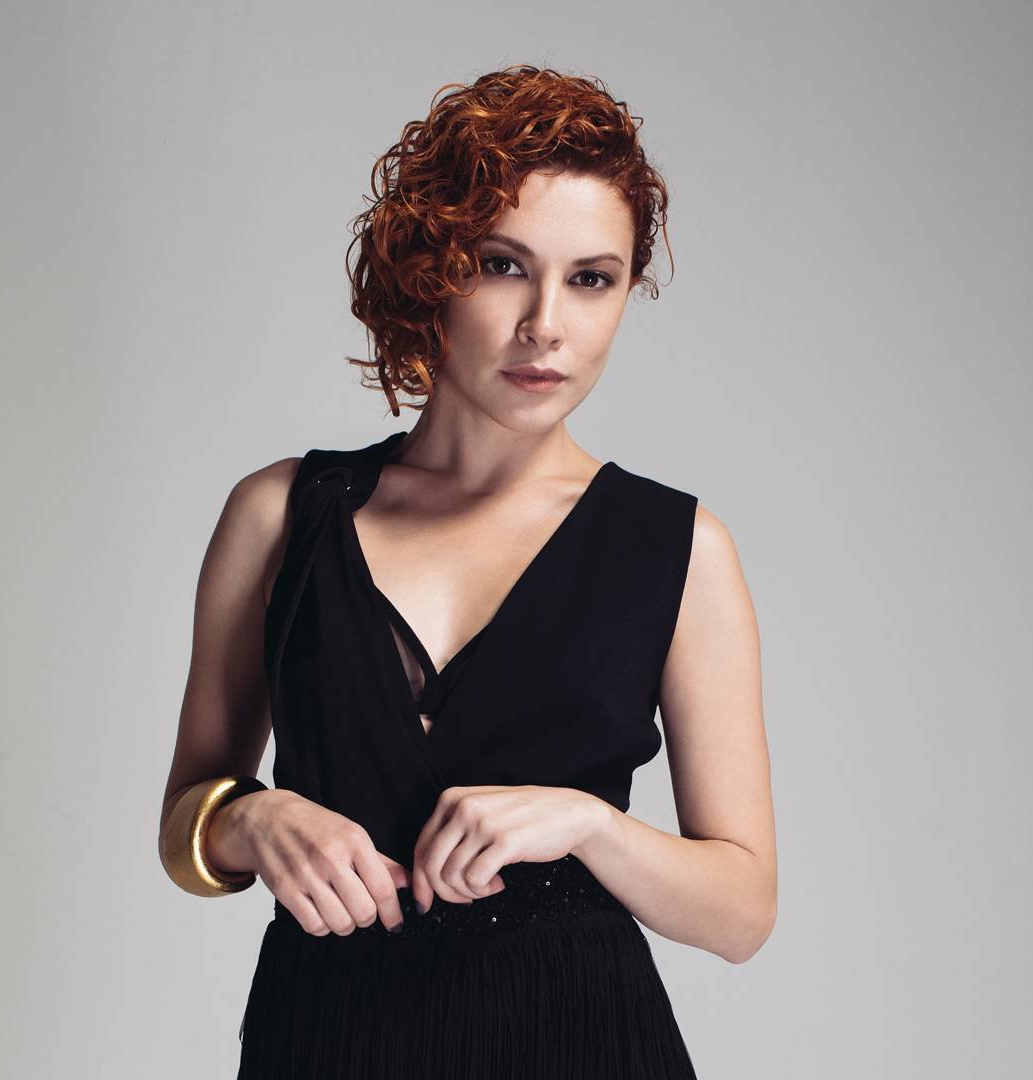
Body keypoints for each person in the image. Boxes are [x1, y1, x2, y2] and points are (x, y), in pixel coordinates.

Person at [159, 64, 776, 1079]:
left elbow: (743, 912)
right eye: (502, 265)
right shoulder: (280, 516)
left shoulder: (678, 547)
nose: (547, 324)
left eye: (592, 278)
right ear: (428, 270)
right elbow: (188, 816)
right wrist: (250, 816)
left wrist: (588, 824)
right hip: (325, 1043)